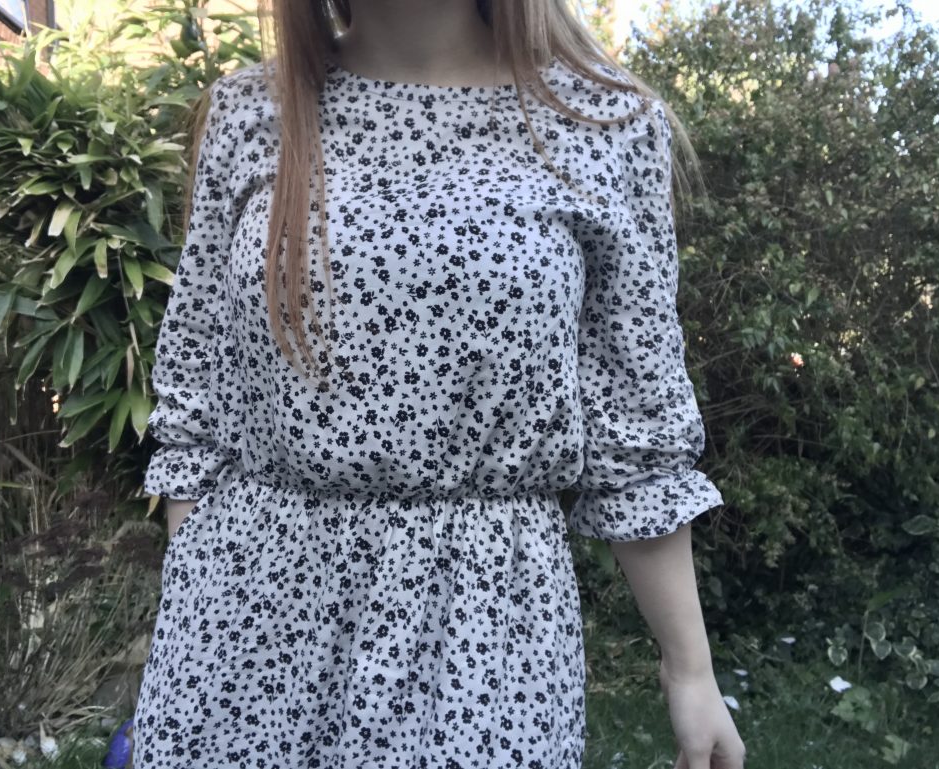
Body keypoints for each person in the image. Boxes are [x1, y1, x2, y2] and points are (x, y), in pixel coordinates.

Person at [132, 1, 746, 768]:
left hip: (483, 634)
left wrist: (689, 667)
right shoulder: (250, 112)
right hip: (244, 629)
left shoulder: (602, 123)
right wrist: (195, 613)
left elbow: (636, 430)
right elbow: (197, 403)